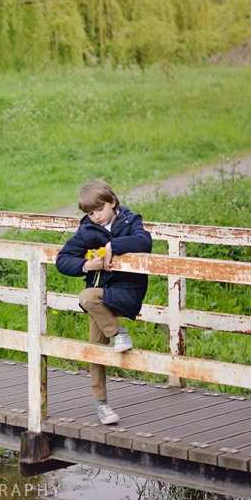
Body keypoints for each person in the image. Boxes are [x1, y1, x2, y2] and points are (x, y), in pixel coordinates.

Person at [55, 178, 152, 425]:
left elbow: (145, 242)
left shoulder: (130, 221)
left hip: (126, 293)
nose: (96, 216)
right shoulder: (87, 230)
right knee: (95, 350)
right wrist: (86, 265)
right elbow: (62, 259)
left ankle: (119, 334)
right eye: (91, 213)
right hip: (99, 300)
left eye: (100, 209)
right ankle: (101, 404)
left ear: (113, 201)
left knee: (86, 297)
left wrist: (112, 246)